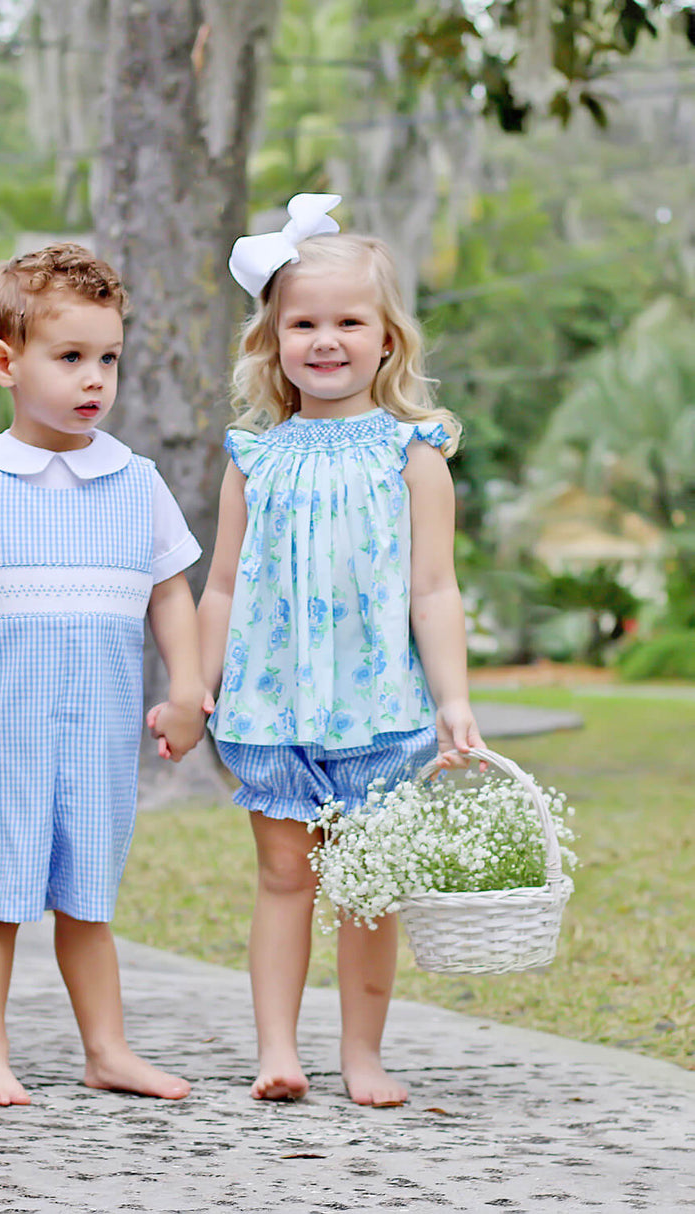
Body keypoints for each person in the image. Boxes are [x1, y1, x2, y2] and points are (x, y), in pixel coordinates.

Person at [0, 242, 208, 1107]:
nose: (94, 378)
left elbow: (171, 596)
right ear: (5, 362)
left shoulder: (136, 483)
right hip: (4, 731)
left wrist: (187, 690)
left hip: (101, 732)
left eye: (108, 358)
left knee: (88, 902)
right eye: (70, 358)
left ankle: (108, 1050)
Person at [198, 194, 485, 1107]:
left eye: (348, 321)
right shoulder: (255, 456)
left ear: (387, 338)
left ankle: (363, 1054)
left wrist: (454, 701)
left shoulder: (413, 456)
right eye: (303, 323)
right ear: (272, 340)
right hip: (270, 705)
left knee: (368, 887)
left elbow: (433, 591)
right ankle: (276, 1050)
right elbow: (224, 587)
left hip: (378, 709)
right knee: (284, 877)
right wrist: (192, 688)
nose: (326, 340)